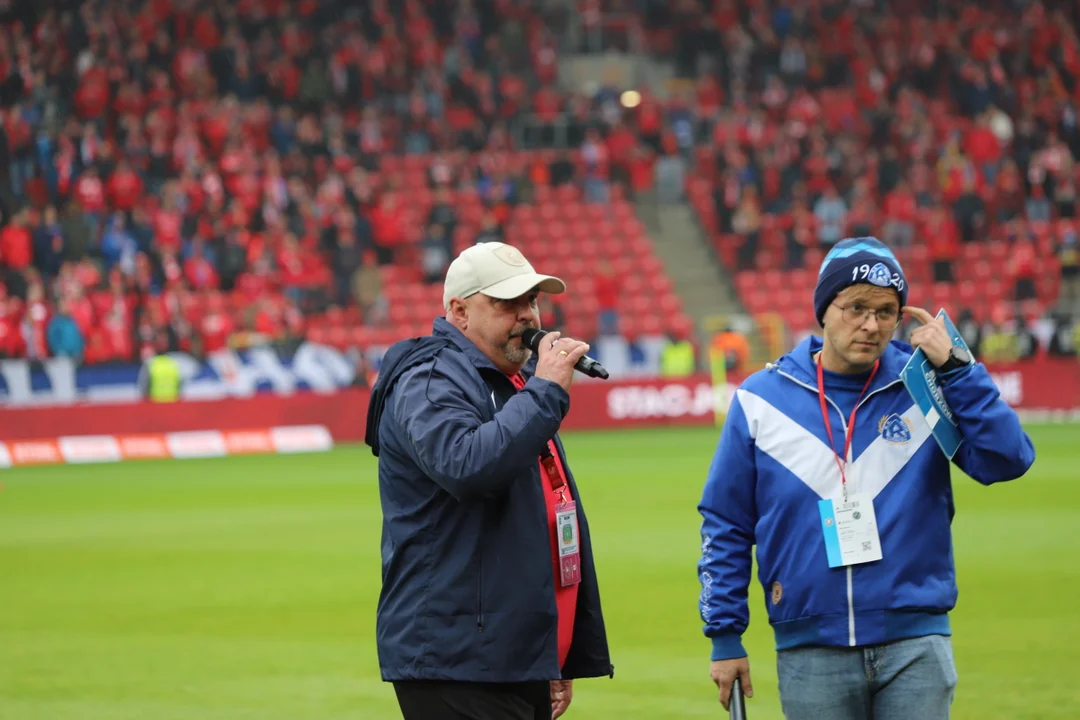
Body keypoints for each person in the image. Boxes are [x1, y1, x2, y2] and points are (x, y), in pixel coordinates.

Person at [697, 236, 1036, 720]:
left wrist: (959, 369)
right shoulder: (761, 399)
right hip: (812, 648)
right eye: (855, 307)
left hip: (916, 643)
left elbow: (1008, 460)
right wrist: (725, 635)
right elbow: (725, 523)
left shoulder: (925, 383)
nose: (870, 324)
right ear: (824, 309)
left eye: (886, 311)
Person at [365, 242, 613, 720]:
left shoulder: (508, 380)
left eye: (531, 301)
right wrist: (545, 392)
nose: (526, 316)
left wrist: (550, 648)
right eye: (506, 304)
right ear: (459, 310)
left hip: (505, 655)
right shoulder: (431, 378)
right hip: (457, 660)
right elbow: (468, 466)